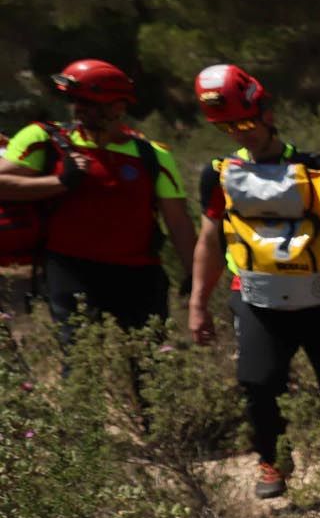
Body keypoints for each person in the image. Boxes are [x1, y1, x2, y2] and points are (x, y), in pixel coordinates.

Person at [186, 64, 320, 505]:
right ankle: (273, 459)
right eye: (227, 126)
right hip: (256, 297)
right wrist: (197, 303)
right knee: (257, 383)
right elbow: (209, 240)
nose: (240, 132)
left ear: (266, 112)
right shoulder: (217, 175)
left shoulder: (318, 168)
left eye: (246, 121)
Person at [0, 59, 194, 346]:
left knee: (148, 361)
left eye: (88, 102)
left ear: (118, 106)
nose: (78, 108)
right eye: (75, 101)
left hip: (138, 274)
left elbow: (178, 222)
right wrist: (60, 182)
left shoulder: (152, 156)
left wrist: (195, 277)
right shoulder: (43, 139)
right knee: (77, 359)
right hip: (69, 269)